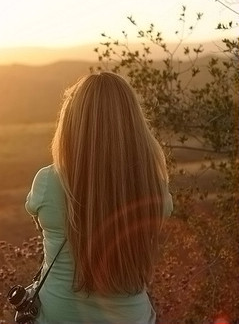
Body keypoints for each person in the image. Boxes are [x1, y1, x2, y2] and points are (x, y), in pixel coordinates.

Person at [25, 72, 173, 323]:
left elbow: (36, 215)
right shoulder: (155, 188)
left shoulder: (48, 181)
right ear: (133, 124)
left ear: (72, 123)